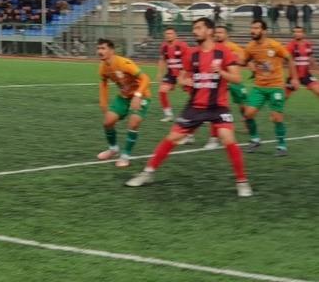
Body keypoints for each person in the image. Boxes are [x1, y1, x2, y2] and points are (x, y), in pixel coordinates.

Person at [125, 17, 252, 197]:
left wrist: (221, 72)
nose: (195, 31)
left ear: (209, 31)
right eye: (194, 28)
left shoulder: (224, 52)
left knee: (228, 139)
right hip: (195, 106)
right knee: (172, 138)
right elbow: (181, 77)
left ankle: (242, 181)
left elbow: (237, 78)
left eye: (199, 28)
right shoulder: (192, 54)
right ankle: (148, 173)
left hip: (218, 106)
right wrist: (186, 81)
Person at [242, 20, 299, 156]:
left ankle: (281, 146)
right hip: (259, 87)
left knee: (276, 117)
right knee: (248, 114)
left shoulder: (274, 45)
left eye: (256, 28)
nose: (253, 31)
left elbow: (289, 58)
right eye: (252, 28)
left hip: (275, 86)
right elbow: (243, 61)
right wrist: (249, 64)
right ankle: (255, 139)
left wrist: (294, 78)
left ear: (264, 31)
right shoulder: (250, 47)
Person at [96, 38, 152, 168]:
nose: (99, 51)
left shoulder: (124, 63)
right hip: (124, 96)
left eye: (103, 48)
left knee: (133, 123)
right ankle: (113, 149)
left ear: (111, 50)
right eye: (98, 48)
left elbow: (145, 78)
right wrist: (103, 103)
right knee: (108, 122)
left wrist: (138, 95)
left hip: (141, 94)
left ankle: (125, 155)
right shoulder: (103, 68)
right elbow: (103, 84)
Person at [204, 25, 250, 149]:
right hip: (218, 82)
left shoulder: (234, 48)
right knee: (214, 107)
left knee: (243, 104)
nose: (218, 34)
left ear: (226, 35)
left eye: (221, 32)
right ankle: (213, 138)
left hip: (233, 81)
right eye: (216, 32)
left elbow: (244, 60)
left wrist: (237, 60)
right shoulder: (212, 48)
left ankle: (247, 122)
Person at [157, 27, 190, 124]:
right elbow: (163, 60)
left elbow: (188, 60)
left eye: (170, 33)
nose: (168, 35)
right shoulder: (164, 46)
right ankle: (168, 115)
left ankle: (201, 113)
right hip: (171, 73)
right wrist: (160, 73)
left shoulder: (182, 45)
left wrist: (182, 75)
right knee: (162, 91)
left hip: (183, 72)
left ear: (175, 35)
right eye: (166, 34)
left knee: (194, 94)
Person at [286, 26, 319, 99]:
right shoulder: (290, 46)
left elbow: (310, 57)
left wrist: (316, 68)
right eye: (295, 32)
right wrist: (294, 78)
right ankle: (275, 109)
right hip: (294, 76)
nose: (296, 33)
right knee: (284, 97)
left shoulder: (308, 44)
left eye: (299, 32)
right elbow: (289, 61)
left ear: (303, 33)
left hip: (306, 75)